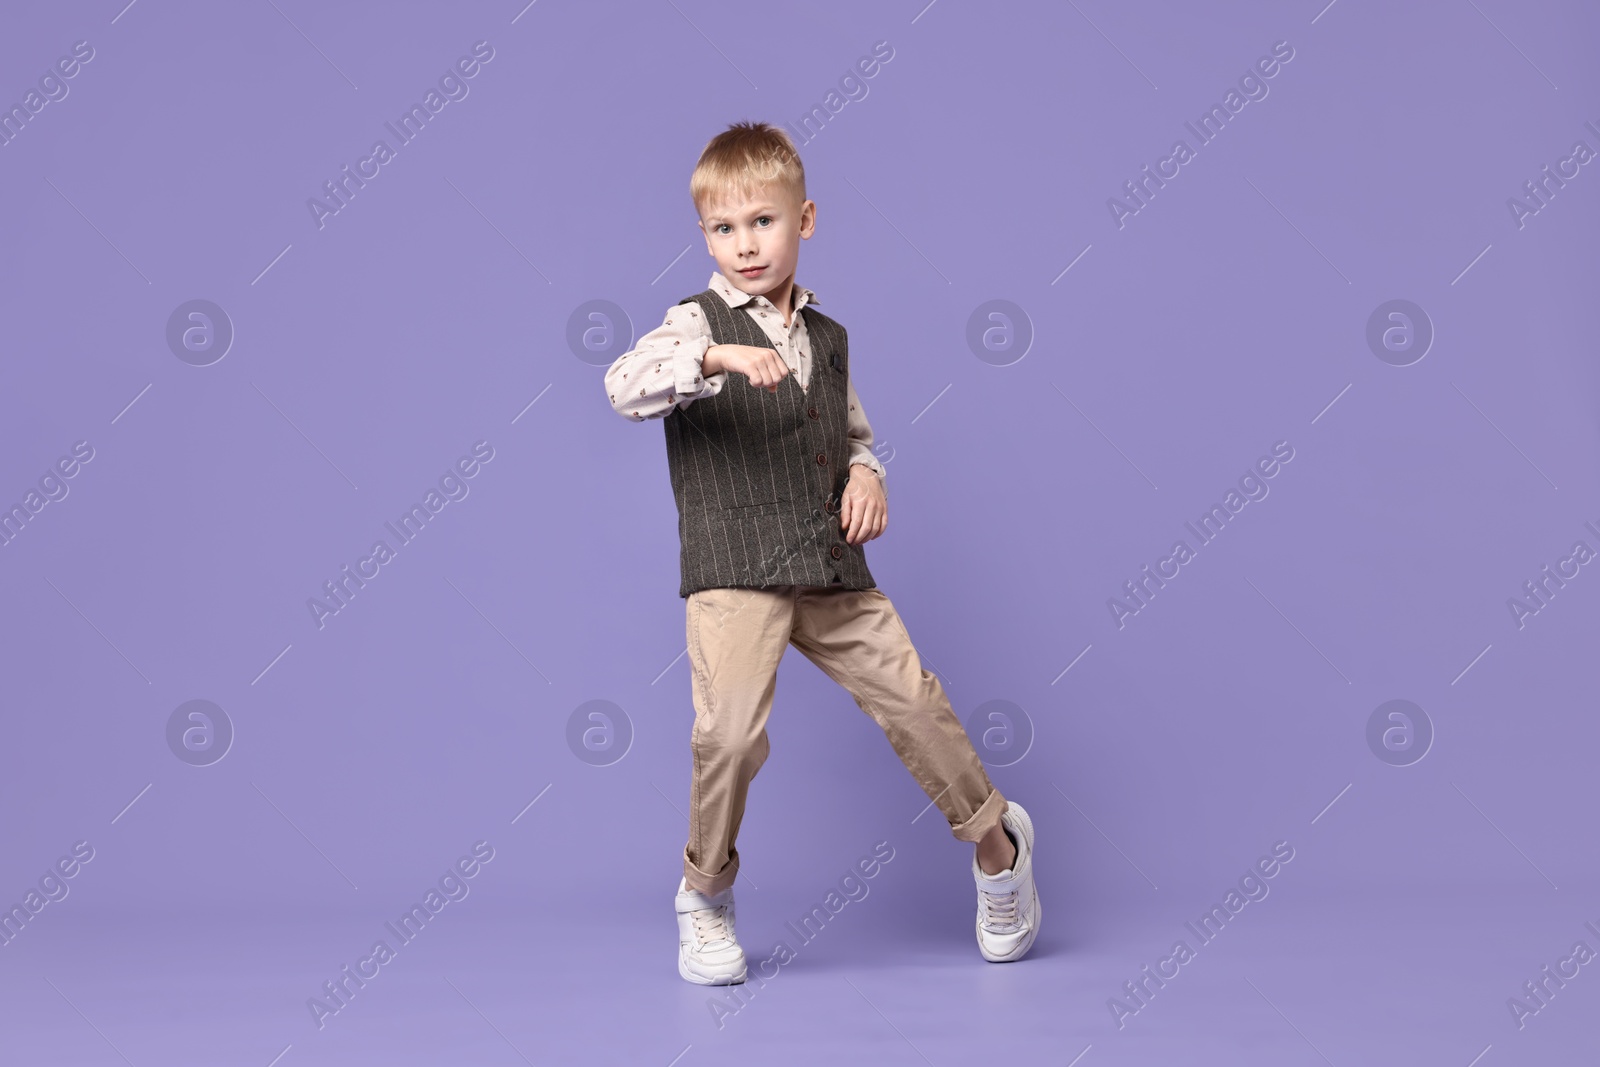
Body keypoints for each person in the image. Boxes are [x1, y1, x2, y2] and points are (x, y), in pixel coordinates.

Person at [604, 120, 1040, 985]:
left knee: (914, 705)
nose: (745, 244)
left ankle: (1000, 848)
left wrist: (868, 472)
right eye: (724, 229)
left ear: (803, 220)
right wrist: (715, 355)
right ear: (704, 237)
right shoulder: (693, 322)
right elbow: (624, 386)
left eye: (761, 222)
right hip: (735, 569)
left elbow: (849, 434)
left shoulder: (830, 338)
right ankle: (705, 893)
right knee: (728, 736)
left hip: (829, 562)